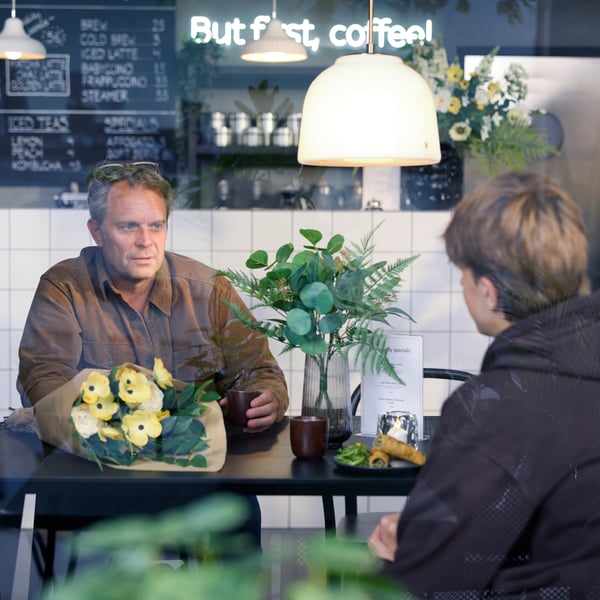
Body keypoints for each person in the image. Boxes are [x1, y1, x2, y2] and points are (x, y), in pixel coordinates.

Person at [17, 160, 289, 547]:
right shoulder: (64, 287)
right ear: (97, 231)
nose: (146, 240)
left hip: (197, 475)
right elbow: (43, 381)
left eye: (156, 225)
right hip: (98, 477)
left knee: (239, 510)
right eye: (128, 226)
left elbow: (260, 370)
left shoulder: (210, 289)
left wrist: (268, 398)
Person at [368, 172, 600, 597]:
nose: (461, 285)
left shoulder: (496, 406)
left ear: (489, 292)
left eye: (464, 273)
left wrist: (416, 544)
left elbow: (424, 581)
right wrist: (431, 523)